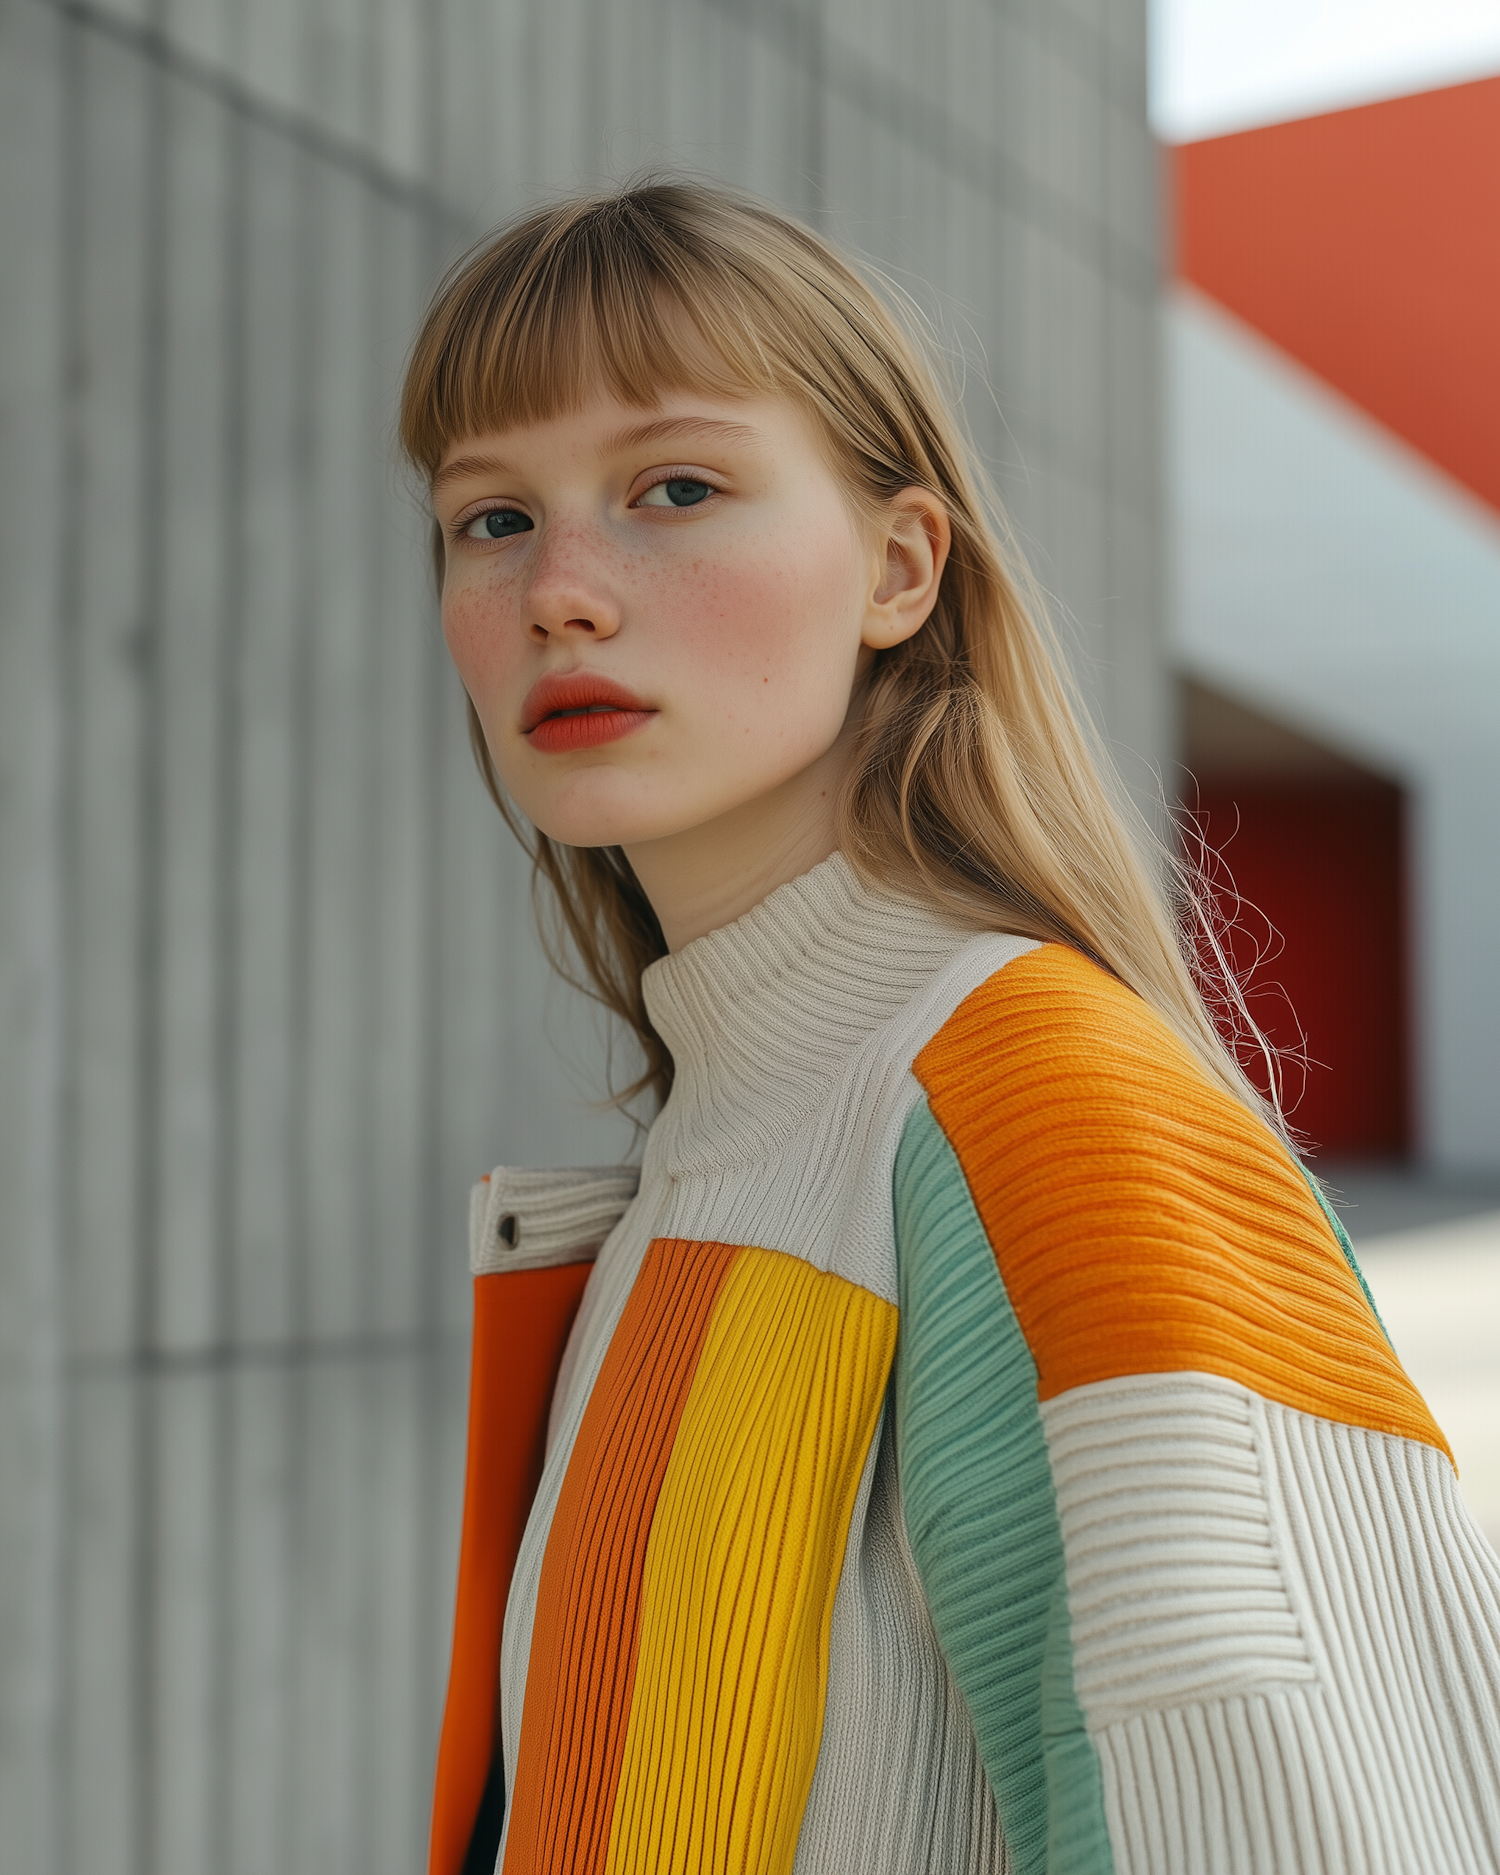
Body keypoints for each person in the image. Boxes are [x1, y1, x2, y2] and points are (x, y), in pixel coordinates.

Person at [401, 182, 1500, 1875]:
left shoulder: (1039, 1113)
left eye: (673, 488)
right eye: (490, 519)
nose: (560, 589)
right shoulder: (733, 1135)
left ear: (899, 567)